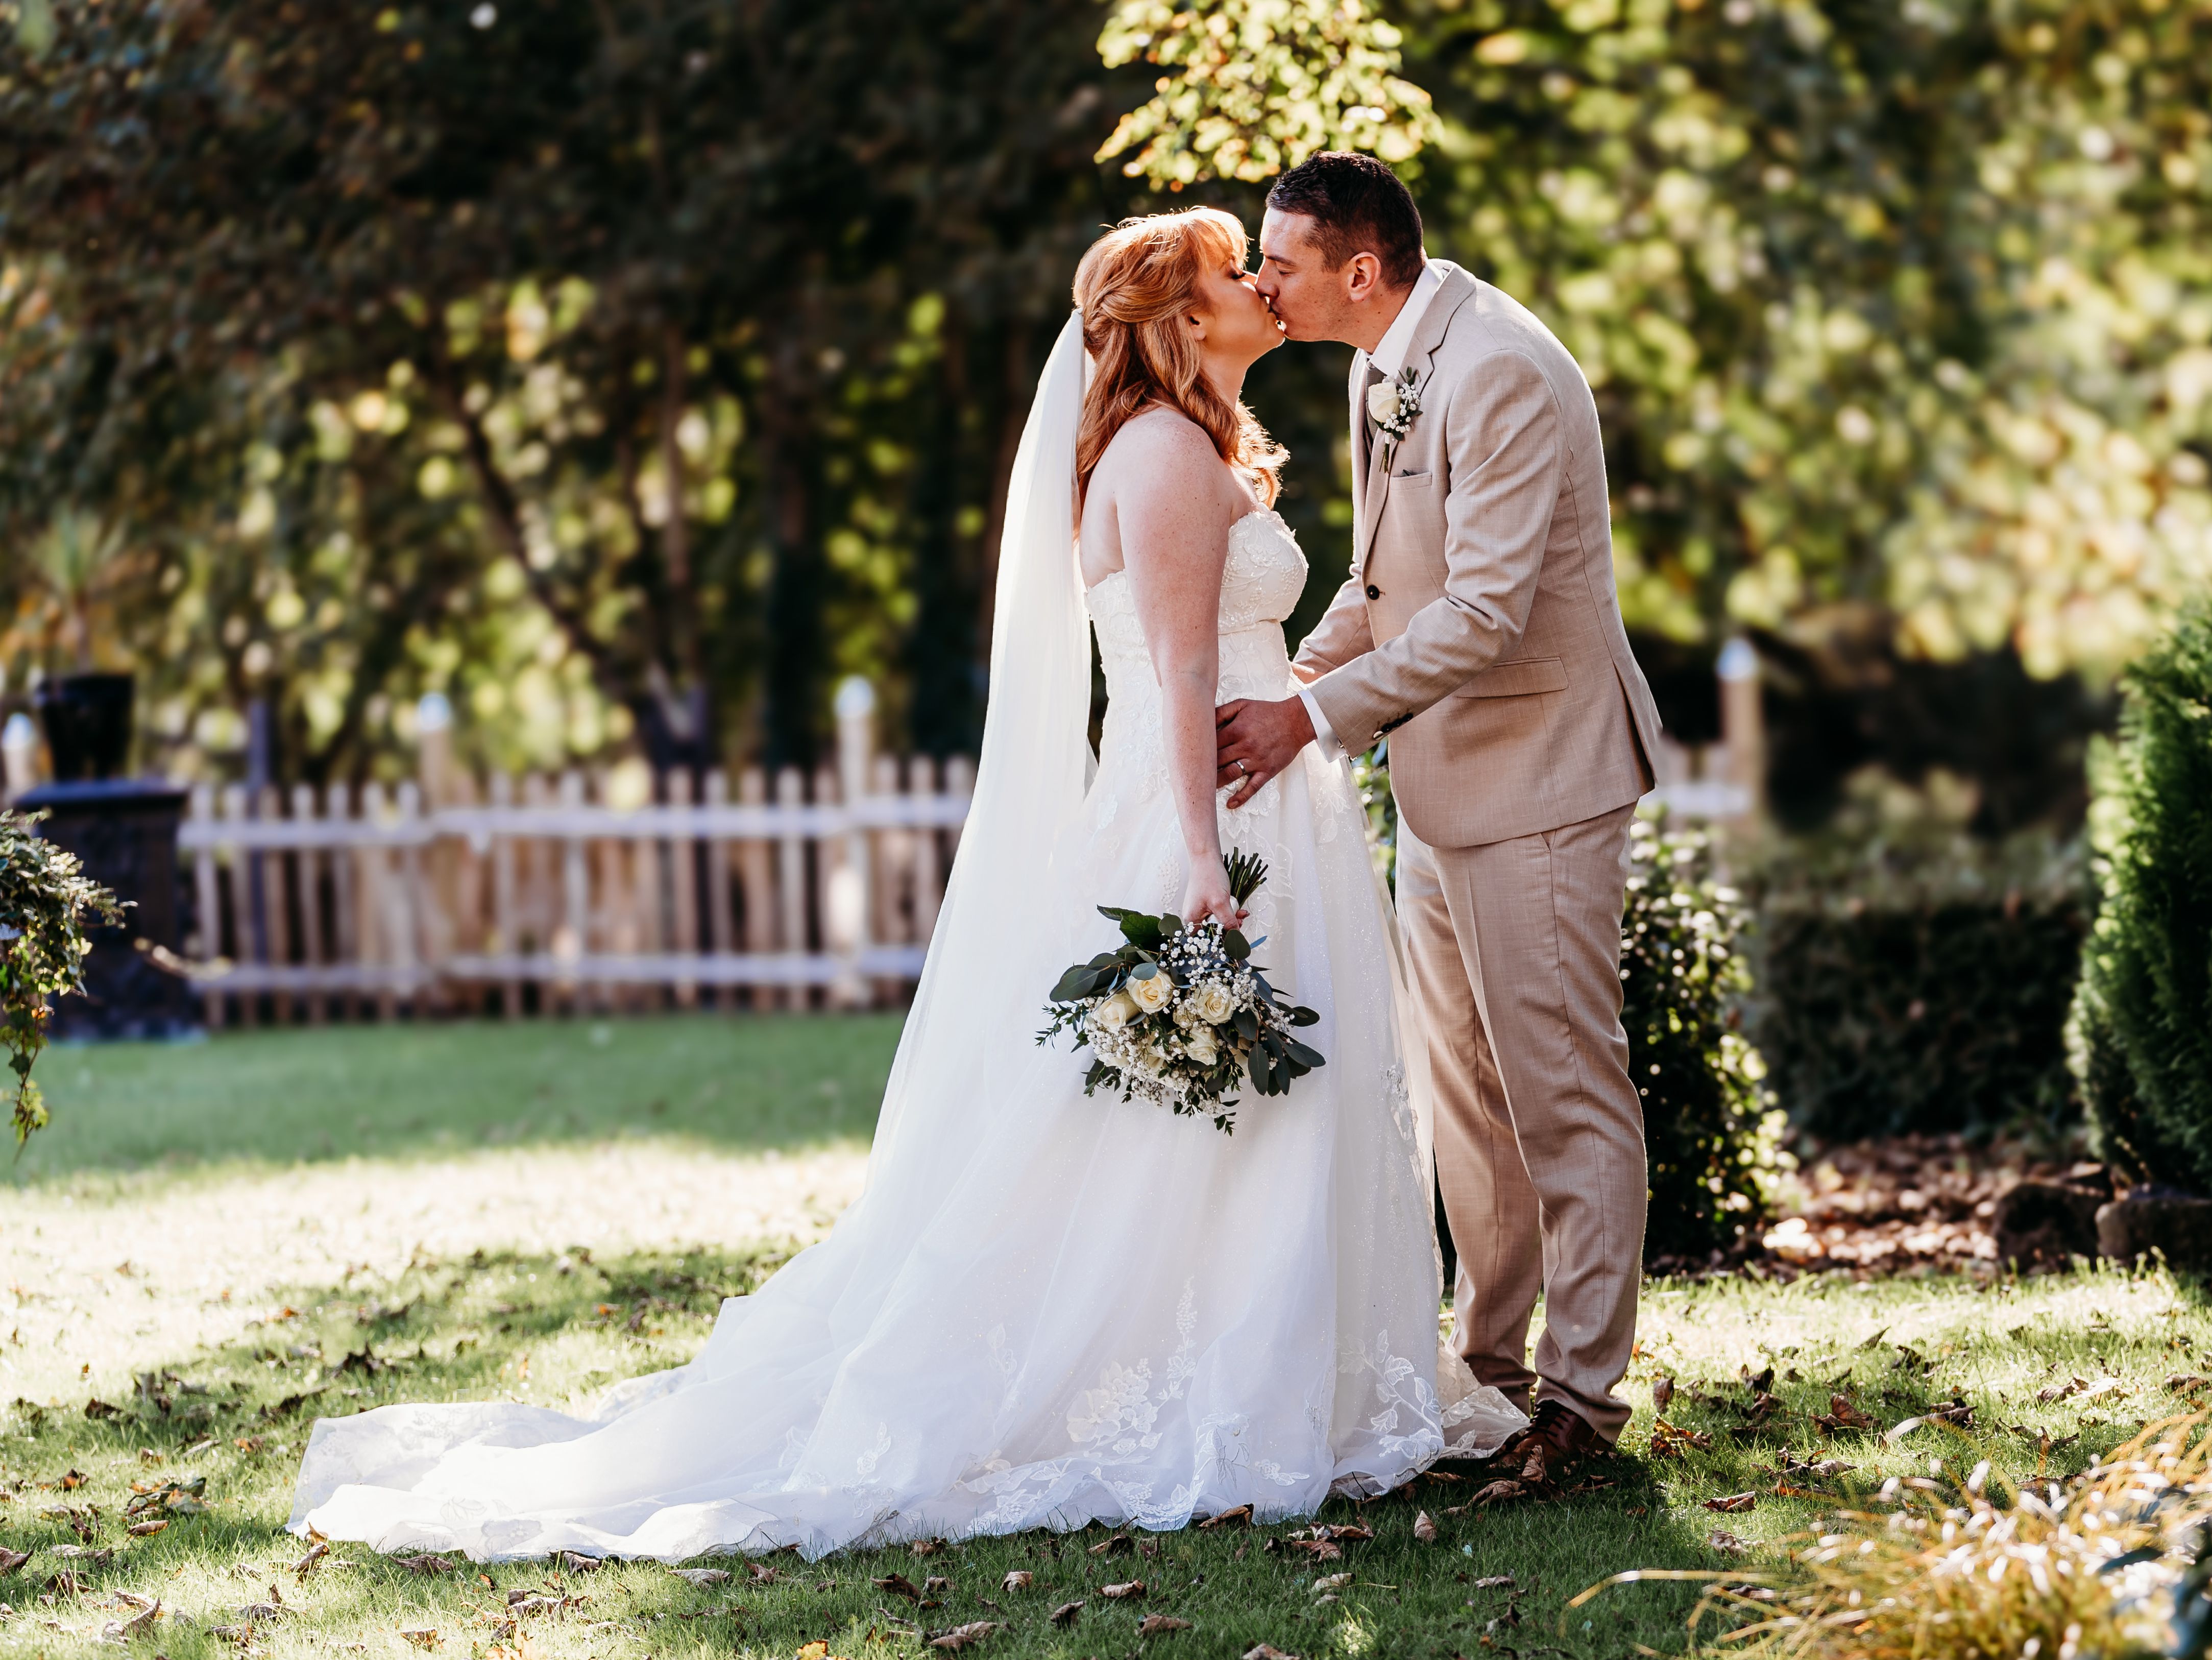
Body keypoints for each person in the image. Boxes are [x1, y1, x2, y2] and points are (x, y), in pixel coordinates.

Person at [285, 207, 1524, 1561]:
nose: (1257, 287)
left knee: (1258, 1112)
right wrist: (1193, 860)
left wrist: (1289, 713)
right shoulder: (1164, 453)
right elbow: (1171, 673)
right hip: (1210, 816)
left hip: (1263, 794)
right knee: (1190, 1117)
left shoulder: (1203, 444)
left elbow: (1228, 657)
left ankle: (1299, 1375)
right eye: (1234, 272)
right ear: (1176, 320)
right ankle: (1206, 1386)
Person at [1219, 152, 1665, 1477]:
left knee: (1564, 1090)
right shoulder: (1379, 363)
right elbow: (1379, 582)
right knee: (1467, 1097)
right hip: (1439, 784)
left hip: (1543, 776)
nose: (1261, 283)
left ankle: (1583, 1402)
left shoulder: (1501, 369)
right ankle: (1489, 1367)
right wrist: (1287, 673)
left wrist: (1308, 718)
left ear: (1359, 270)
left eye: (1281, 262)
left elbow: (1484, 610)